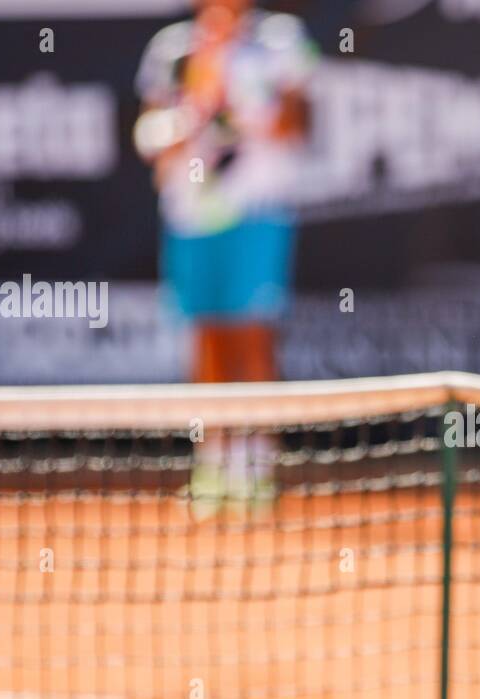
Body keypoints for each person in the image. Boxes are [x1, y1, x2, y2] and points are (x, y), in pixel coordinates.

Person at [134, 0, 317, 516]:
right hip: (190, 216)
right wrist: (192, 112)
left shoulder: (282, 40)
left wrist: (235, 103)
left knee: (252, 334)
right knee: (207, 336)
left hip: (255, 211)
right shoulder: (171, 50)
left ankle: (256, 467)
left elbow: (294, 124)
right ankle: (214, 465)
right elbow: (150, 134)